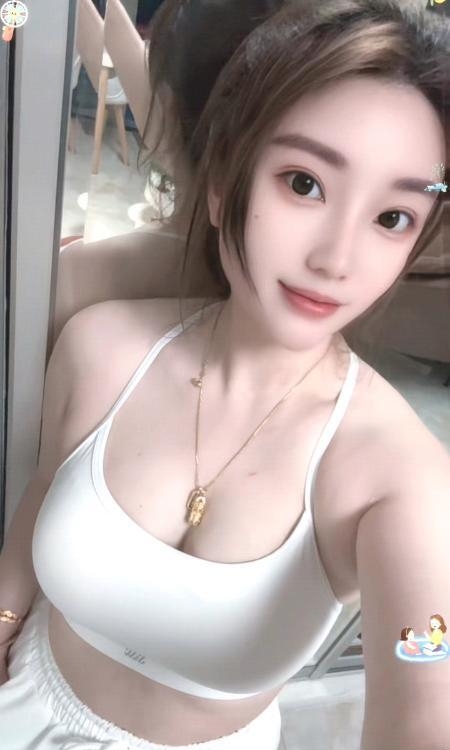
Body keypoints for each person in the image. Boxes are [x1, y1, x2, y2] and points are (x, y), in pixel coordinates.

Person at [0, 1, 450, 749]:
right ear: (221, 183)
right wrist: (5, 618)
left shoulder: (401, 481)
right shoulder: (100, 348)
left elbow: (425, 680)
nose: (337, 259)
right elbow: (45, 490)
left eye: (392, 218)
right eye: (303, 183)